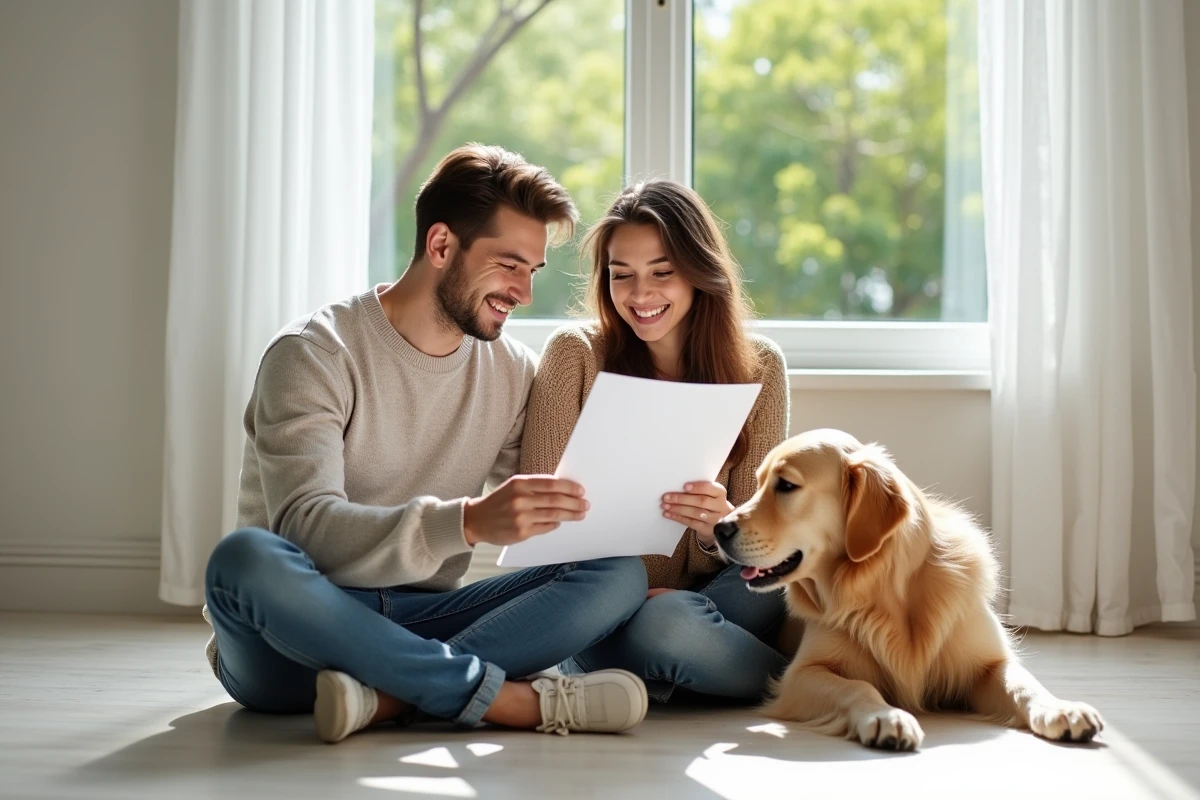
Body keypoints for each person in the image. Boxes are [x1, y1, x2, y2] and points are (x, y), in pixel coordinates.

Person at [202, 144, 650, 743]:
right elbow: (304, 529)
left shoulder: (512, 370)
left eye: (533, 272)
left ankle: (387, 697)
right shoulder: (314, 353)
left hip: (424, 620)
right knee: (243, 561)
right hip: (298, 635)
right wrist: (464, 523)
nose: (524, 292)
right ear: (441, 246)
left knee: (616, 572)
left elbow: (560, 528)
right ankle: (513, 704)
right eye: (509, 265)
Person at [520, 178, 792, 704]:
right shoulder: (574, 356)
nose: (640, 295)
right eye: (622, 276)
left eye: (661, 273)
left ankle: (681, 670)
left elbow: (767, 542)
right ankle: (796, 682)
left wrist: (720, 529)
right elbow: (541, 535)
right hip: (602, 607)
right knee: (664, 626)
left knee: (793, 572)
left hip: (721, 595)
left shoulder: (762, 367)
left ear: (698, 272)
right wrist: (628, 595)